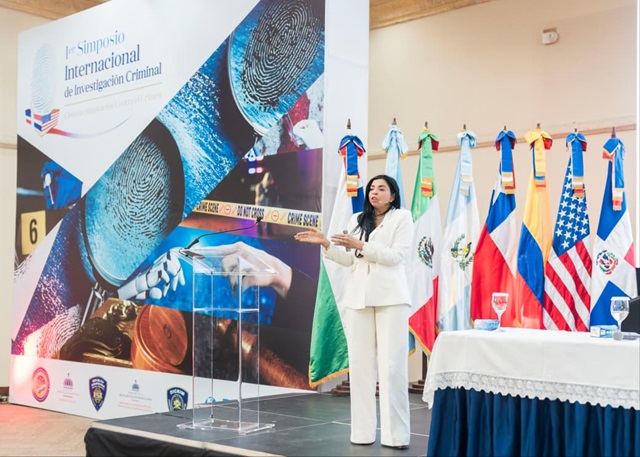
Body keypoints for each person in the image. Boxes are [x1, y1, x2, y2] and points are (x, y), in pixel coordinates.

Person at [294, 174, 413, 449]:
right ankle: (362, 433)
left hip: (391, 299)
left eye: (381, 188)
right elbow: (347, 260)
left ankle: (396, 436)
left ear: (393, 195)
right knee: (360, 367)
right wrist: (326, 244)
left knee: (392, 367)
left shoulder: (402, 218)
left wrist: (360, 245)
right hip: (358, 299)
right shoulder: (357, 219)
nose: (374, 192)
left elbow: (396, 256)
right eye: (371, 188)